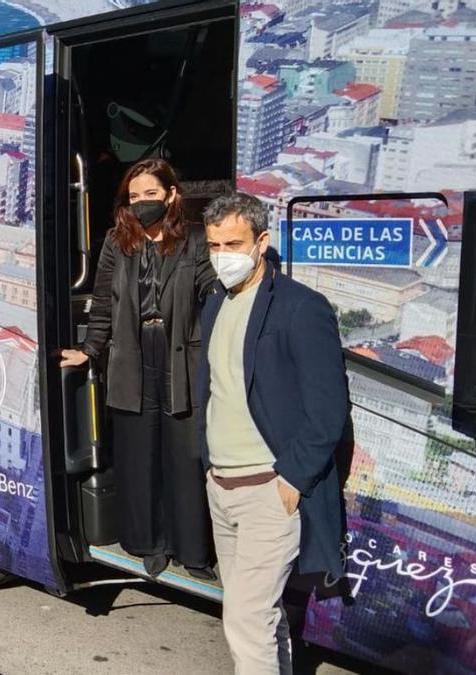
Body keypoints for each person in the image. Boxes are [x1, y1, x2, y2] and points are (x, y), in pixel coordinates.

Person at [197, 192, 348, 673]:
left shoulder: (301, 309)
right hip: (220, 486)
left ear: (262, 242)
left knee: (245, 618)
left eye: (234, 243)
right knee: (265, 618)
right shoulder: (215, 302)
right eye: (214, 245)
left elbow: (328, 411)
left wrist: (291, 480)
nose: (224, 255)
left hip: (269, 489)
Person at [60, 158, 218, 579]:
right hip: (132, 353)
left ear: (171, 195)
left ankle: (192, 551)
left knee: (184, 457)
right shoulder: (117, 241)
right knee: (140, 455)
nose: (142, 203)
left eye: (151, 194)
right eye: (135, 197)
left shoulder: (196, 241)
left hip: (182, 353)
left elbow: (211, 292)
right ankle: (150, 544)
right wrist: (90, 349)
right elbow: (105, 302)